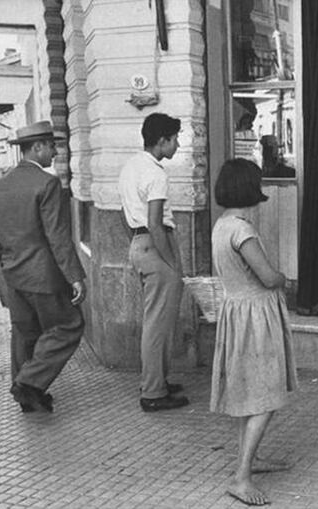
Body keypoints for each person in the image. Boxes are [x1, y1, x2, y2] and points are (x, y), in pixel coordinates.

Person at [211, 158, 298, 506]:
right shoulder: (242, 230)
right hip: (256, 316)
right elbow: (266, 276)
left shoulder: (222, 225)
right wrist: (284, 278)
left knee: (251, 392)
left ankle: (250, 460)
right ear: (250, 187)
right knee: (266, 394)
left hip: (236, 312)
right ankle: (242, 477)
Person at [0, 120, 86, 413]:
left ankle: (26, 395)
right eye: (52, 146)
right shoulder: (47, 183)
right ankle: (28, 383)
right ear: (37, 147)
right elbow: (58, 236)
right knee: (69, 325)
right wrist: (75, 276)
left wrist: (10, 258)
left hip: (11, 274)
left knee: (24, 332)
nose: (54, 152)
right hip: (43, 275)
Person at [118, 113, 189, 412]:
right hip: (156, 244)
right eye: (174, 139)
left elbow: (129, 217)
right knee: (159, 324)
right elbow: (155, 222)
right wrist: (171, 261)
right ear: (162, 141)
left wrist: (141, 244)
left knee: (154, 321)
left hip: (139, 243)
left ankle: (155, 380)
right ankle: (153, 392)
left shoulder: (131, 167)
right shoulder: (156, 174)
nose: (177, 144)